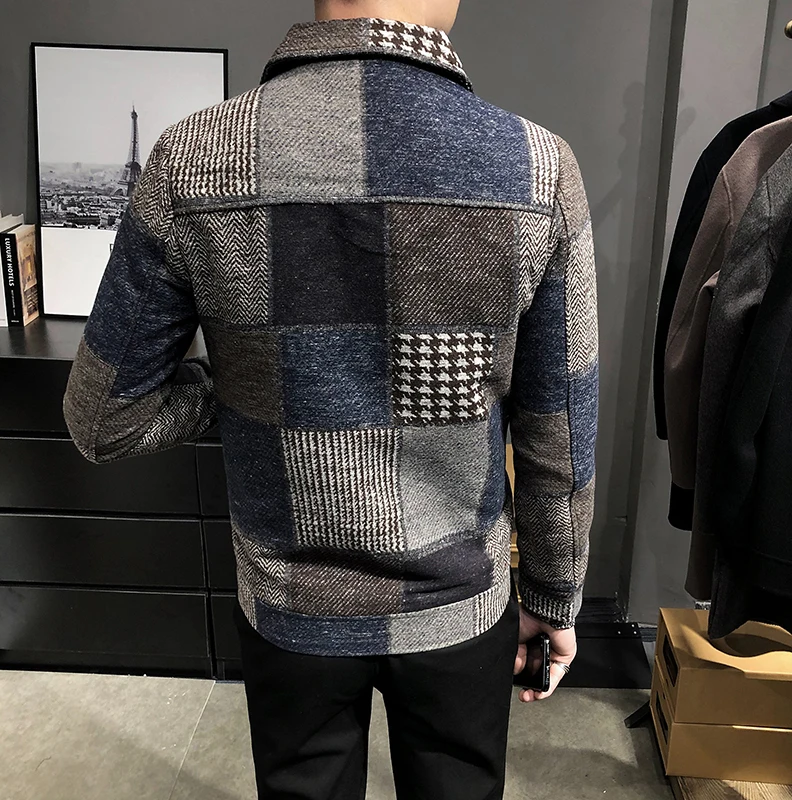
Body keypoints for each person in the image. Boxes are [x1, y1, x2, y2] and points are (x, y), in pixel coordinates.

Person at [63, 0, 598, 797]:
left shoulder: (191, 160)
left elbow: (103, 419)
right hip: (457, 605)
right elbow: (559, 431)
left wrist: (232, 389)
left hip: (291, 608)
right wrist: (553, 595)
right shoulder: (536, 168)